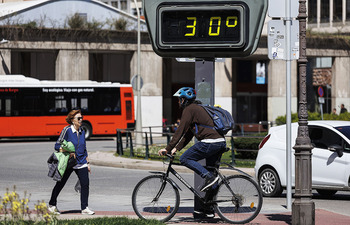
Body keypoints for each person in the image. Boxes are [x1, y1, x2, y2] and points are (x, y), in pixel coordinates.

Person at [158, 87, 226, 192]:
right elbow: (189, 134)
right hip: (219, 142)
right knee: (212, 175)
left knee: (185, 159)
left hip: (210, 142)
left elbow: (180, 130)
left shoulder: (189, 109)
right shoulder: (197, 108)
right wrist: (176, 148)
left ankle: (208, 176)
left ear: (184, 99)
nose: (178, 102)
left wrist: (167, 148)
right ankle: (210, 205)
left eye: (179, 99)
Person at [48, 109, 95, 215]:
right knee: (60, 183)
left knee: (85, 184)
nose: (81, 120)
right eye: (79, 118)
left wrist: (87, 163)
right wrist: (68, 151)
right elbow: (57, 145)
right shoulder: (67, 130)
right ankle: (52, 205)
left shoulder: (82, 130)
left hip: (81, 161)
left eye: (82, 117)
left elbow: (84, 148)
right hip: (69, 162)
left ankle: (84, 208)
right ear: (72, 120)